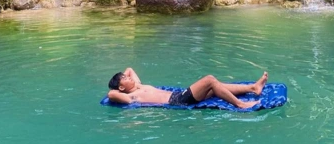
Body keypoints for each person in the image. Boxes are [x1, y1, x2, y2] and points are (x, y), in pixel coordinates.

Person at [107, 68, 268, 109]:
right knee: (210, 80)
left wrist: (123, 78)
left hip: (178, 95)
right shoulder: (131, 97)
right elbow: (111, 94)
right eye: (125, 79)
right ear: (121, 87)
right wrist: (118, 86)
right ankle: (241, 105)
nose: (129, 77)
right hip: (176, 101)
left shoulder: (138, 86)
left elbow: (129, 69)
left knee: (215, 88)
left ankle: (253, 88)